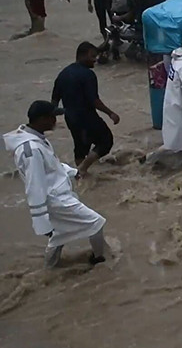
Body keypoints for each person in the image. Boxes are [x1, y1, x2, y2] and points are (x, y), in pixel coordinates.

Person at [3, 101, 108, 268]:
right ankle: (99, 260)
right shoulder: (31, 150)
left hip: (57, 195)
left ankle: (49, 269)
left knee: (60, 234)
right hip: (55, 199)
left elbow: (52, 166)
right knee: (95, 223)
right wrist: (41, 221)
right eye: (53, 117)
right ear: (42, 119)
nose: (56, 120)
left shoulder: (37, 140)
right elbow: (34, 185)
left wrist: (73, 172)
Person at [51, 42, 119, 177]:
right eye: (92, 56)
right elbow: (94, 101)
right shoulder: (87, 75)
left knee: (81, 147)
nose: (95, 59)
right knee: (106, 141)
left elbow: (54, 102)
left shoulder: (63, 74)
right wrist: (111, 113)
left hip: (70, 118)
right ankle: (81, 170)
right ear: (81, 56)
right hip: (86, 117)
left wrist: (56, 115)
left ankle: (82, 181)